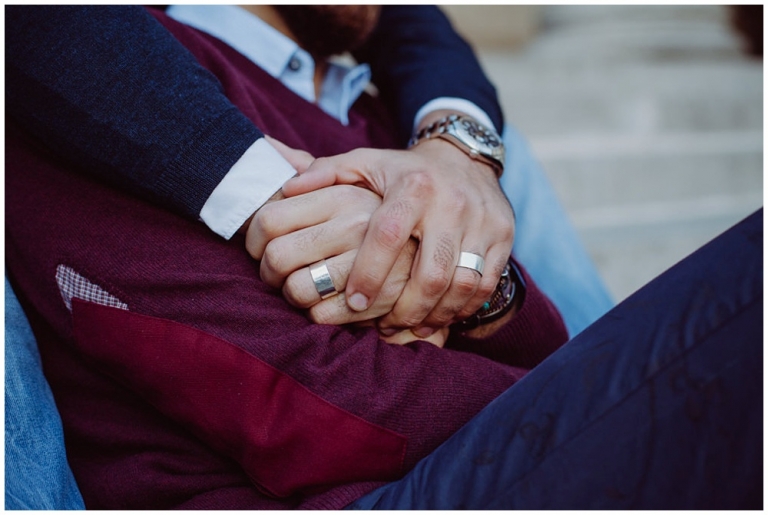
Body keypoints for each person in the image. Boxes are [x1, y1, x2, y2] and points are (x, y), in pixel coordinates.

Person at [5, 5, 761, 509]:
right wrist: (568, 361)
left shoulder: (404, 113)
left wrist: (482, 287)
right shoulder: (112, 99)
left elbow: (543, 327)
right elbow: (330, 408)